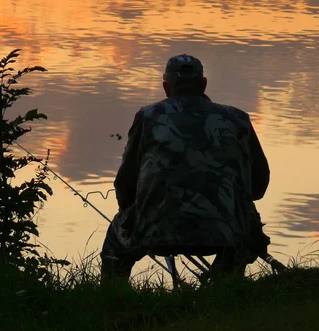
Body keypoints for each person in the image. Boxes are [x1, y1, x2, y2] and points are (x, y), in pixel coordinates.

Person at [100, 54, 270, 280]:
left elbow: (126, 183)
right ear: (203, 84)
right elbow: (259, 184)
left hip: (157, 230)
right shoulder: (237, 118)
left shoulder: (149, 117)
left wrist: (129, 212)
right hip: (227, 230)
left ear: (166, 87)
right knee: (247, 232)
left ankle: (115, 302)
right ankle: (226, 284)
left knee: (115, 244)